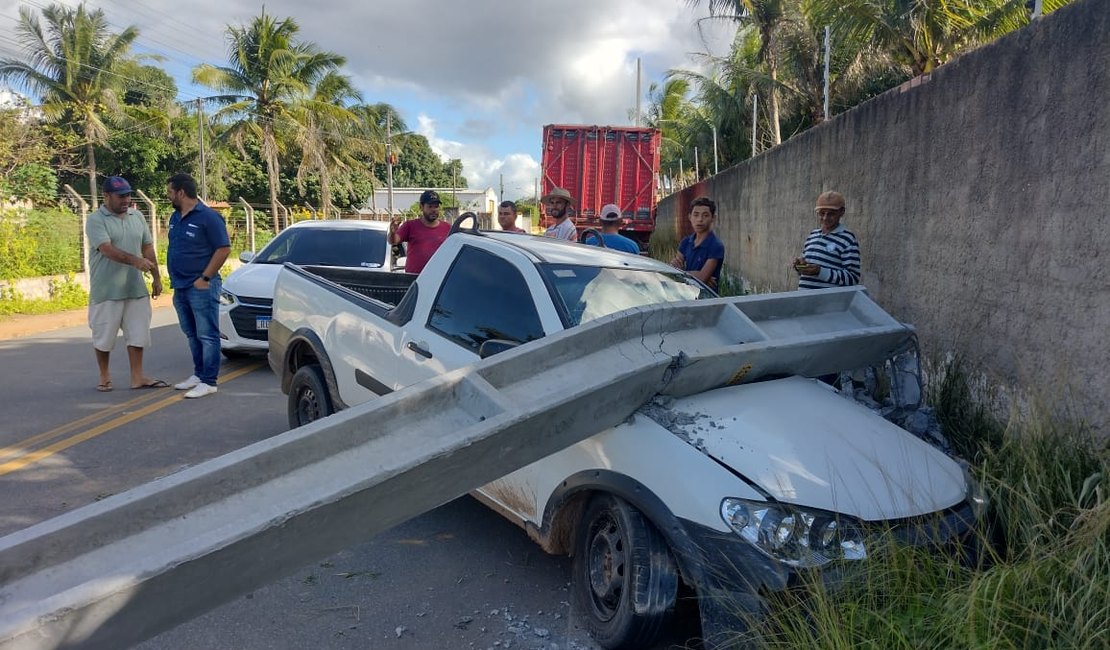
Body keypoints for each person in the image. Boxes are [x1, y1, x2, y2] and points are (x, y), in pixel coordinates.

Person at [85, 176, 167, 392]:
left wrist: (156, 276)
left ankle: (137, 377)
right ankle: (104, 376)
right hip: (107, 289)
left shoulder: (137, 216)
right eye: (121, 196)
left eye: (128, 195)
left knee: (138, 333)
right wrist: (136, 261)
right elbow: (106, 249)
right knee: (104, 336)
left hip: (135, 287)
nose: (126, 200)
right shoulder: (95, 220)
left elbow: (147, 247)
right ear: (106, 196)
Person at [166, 173, 230, 399]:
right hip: (180, 285)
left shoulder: (208, 217)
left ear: (181, 192)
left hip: (201, 285)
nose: (168, 196)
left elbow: (223, 249)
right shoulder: (175, 217)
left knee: (207, 333)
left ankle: (209, 381)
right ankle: (198, 374)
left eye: (170, 192)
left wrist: (205, 277)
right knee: (191, 333)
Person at [793, 191, 860, 289]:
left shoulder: (848, 239)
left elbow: (853, 279)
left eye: (831, 214)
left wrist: (820, 272)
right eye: (822, 213)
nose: (825, 218)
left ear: (842, 212)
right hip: (804, 300)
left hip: (828, 303)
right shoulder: (813, 235)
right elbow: (805, 271)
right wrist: (800, 266)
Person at [389, 189, 451, 274]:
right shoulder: (410, 226)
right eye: (430, 206)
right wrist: (392, 232)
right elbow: (393, 241)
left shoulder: (448, 228)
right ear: (421, 207)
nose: (434, 209)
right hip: (414, 280)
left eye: (436, 206)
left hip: (438, 281)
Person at [670, 196, 725, 288]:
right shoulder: (686, 242)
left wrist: (683, 273)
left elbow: (702, 278)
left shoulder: (716, 245)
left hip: (706, 299)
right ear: (690, 217)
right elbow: (674, 269)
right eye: (696, 215)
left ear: (713, 218)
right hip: (687, 293)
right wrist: (697, 276)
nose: (700, 219)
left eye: (705, 215)